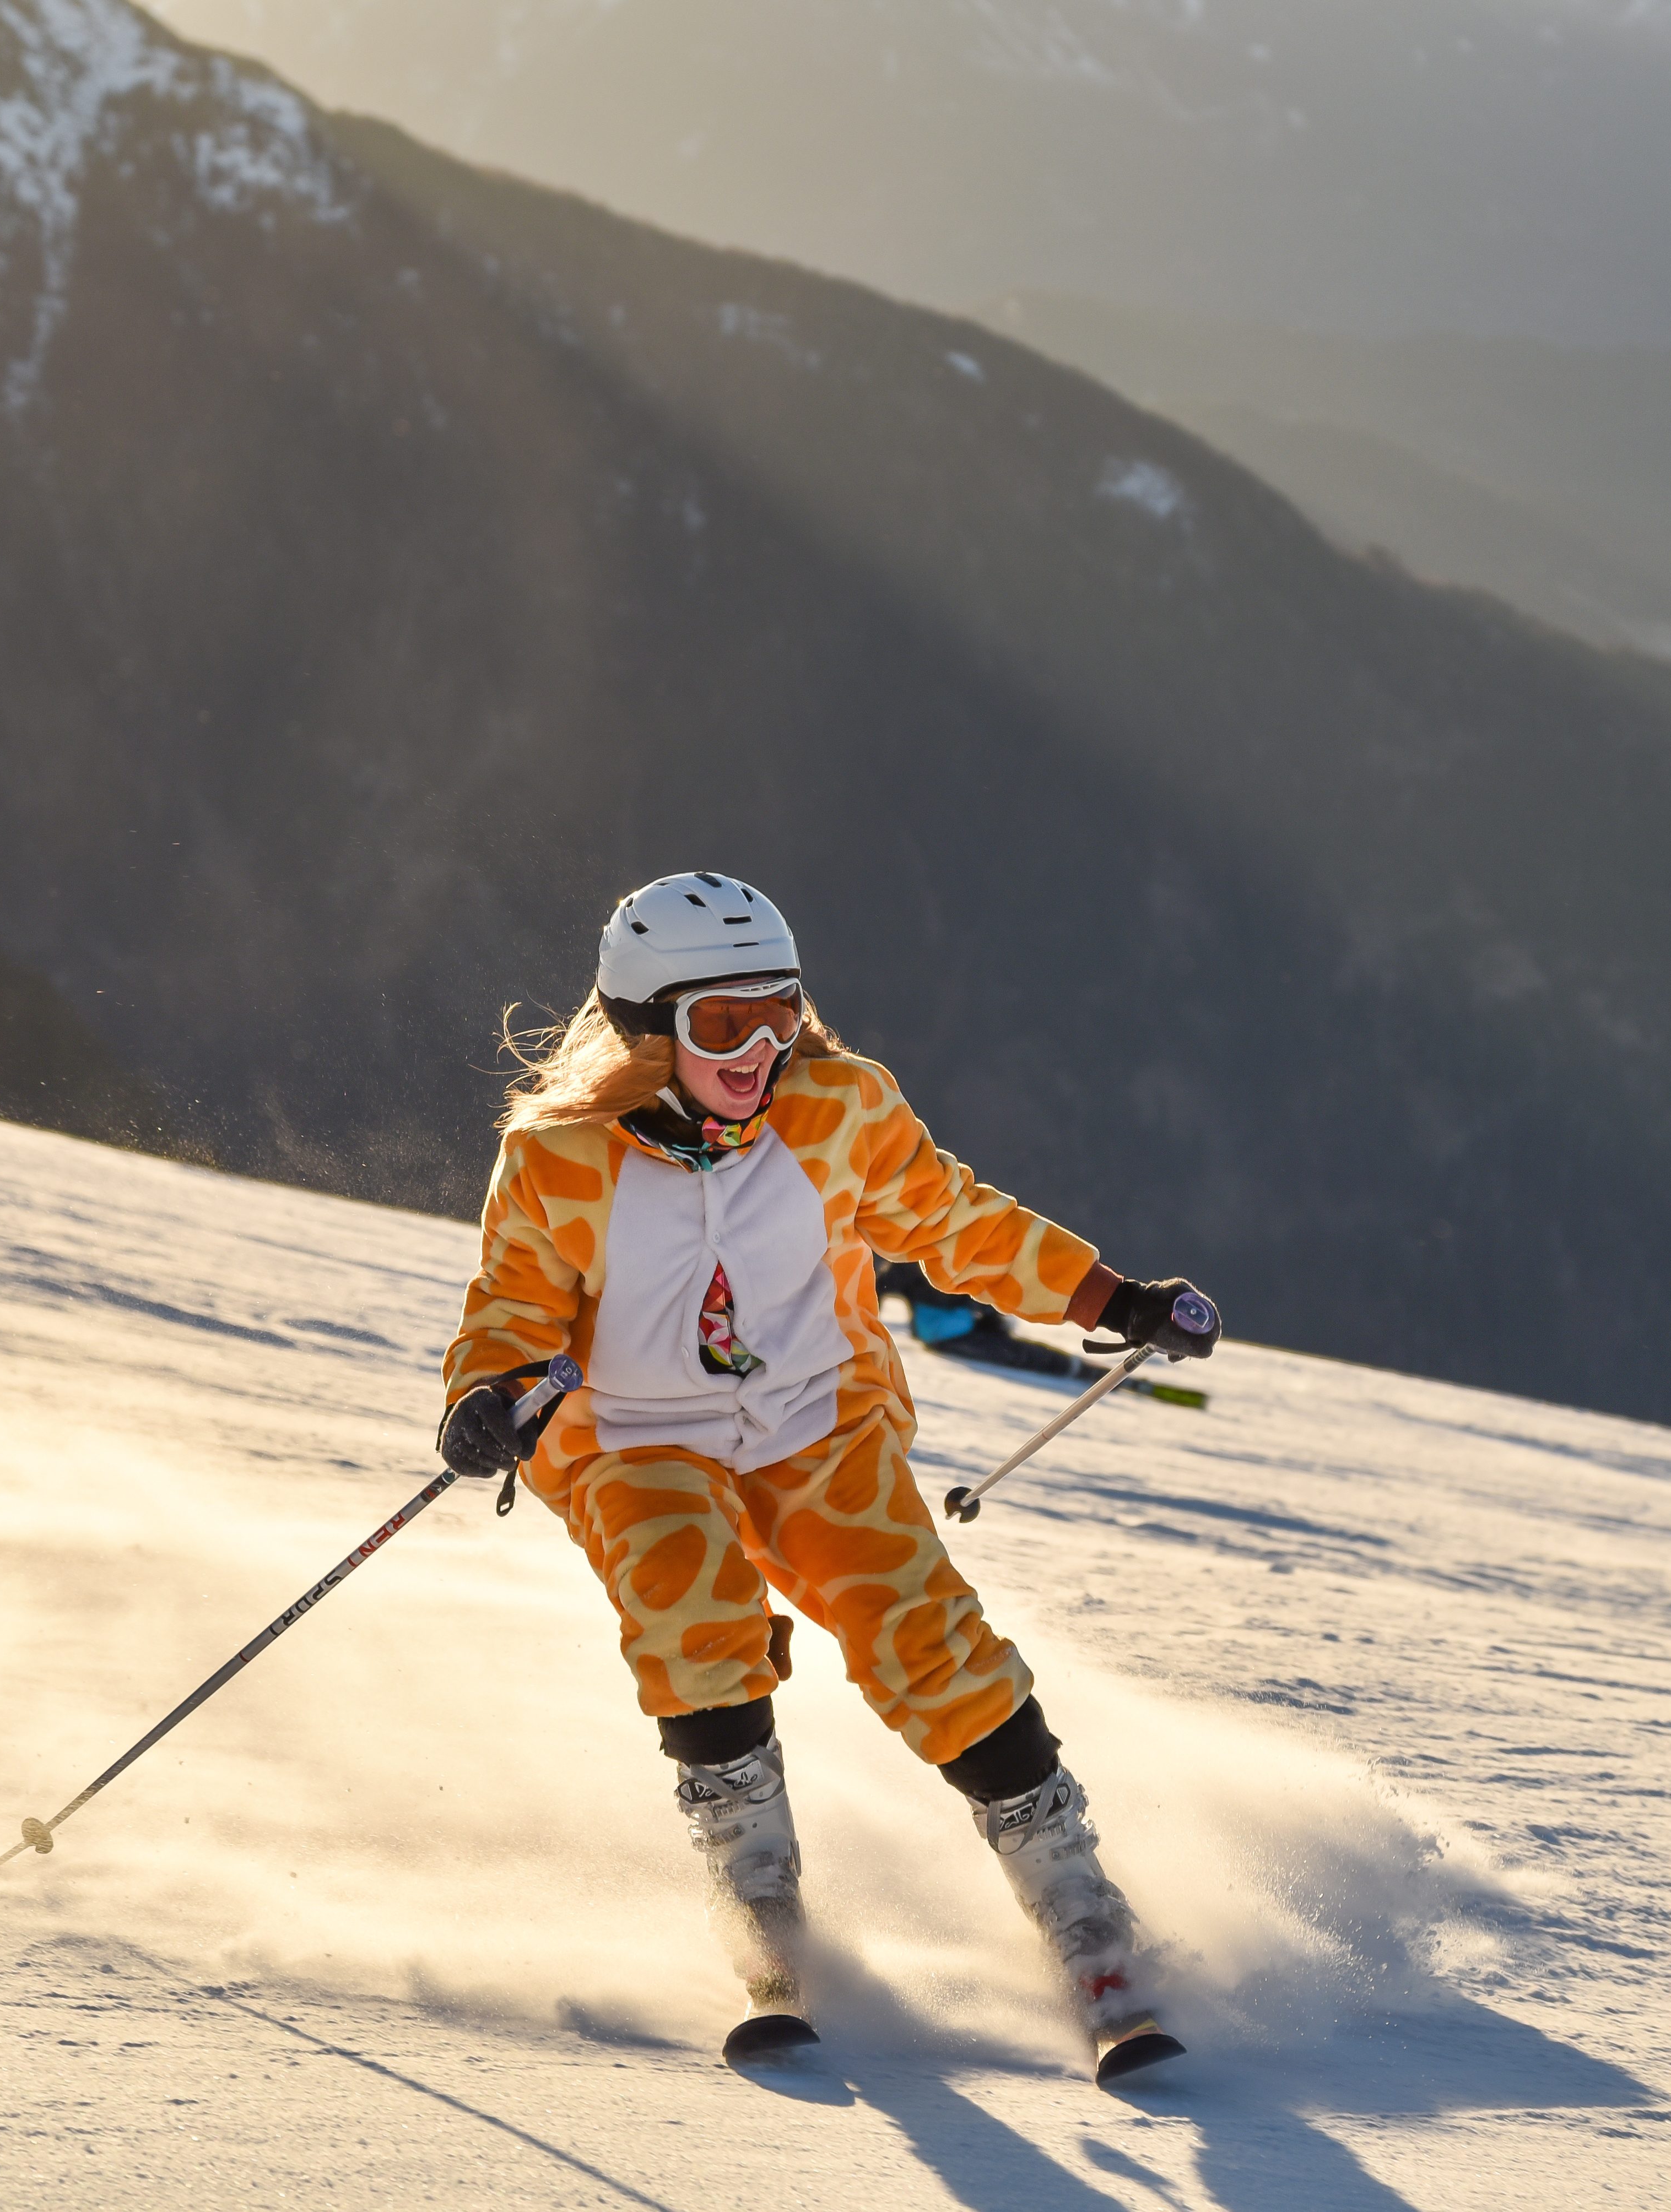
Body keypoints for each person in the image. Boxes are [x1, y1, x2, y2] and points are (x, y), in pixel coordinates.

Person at [433, 872, 1218, 2075]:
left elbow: (954, 1219)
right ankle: (758, 1901)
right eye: (718, 1024)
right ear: (650, 1031)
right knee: (691, 1611)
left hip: (816, 1425)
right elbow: (512, 1308)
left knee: (921, 1630)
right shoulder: (559, 1159)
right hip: (641, 1440)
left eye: (777, 1012)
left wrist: (1109, 1299)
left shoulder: (837, 1108)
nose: (757, 1049)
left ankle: (1081, 1912)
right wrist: (486, 1398)